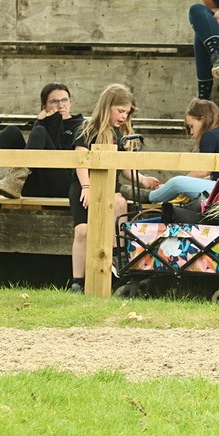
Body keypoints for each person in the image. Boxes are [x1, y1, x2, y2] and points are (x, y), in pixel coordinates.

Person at [69, 84, 160, 293]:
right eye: (120, 111)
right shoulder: (87, 129)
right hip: (85, 185)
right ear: (108, 106)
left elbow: (126, 170)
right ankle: (77, 281)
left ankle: (116, 255)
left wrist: (144, 180)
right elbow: (81, 160)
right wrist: (87, 186)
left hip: (110, 186)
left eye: (126, 113)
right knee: (83, 231)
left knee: (119, 202)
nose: (123, 116)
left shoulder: (119, 134)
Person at [145, 99, 219, 206]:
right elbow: (214, 176)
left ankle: (150, 196)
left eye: (191, 126)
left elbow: (200, 172)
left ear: (202, 119)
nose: (192, 132)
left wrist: (169, 187)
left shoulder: (209, 135)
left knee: (177, 182)